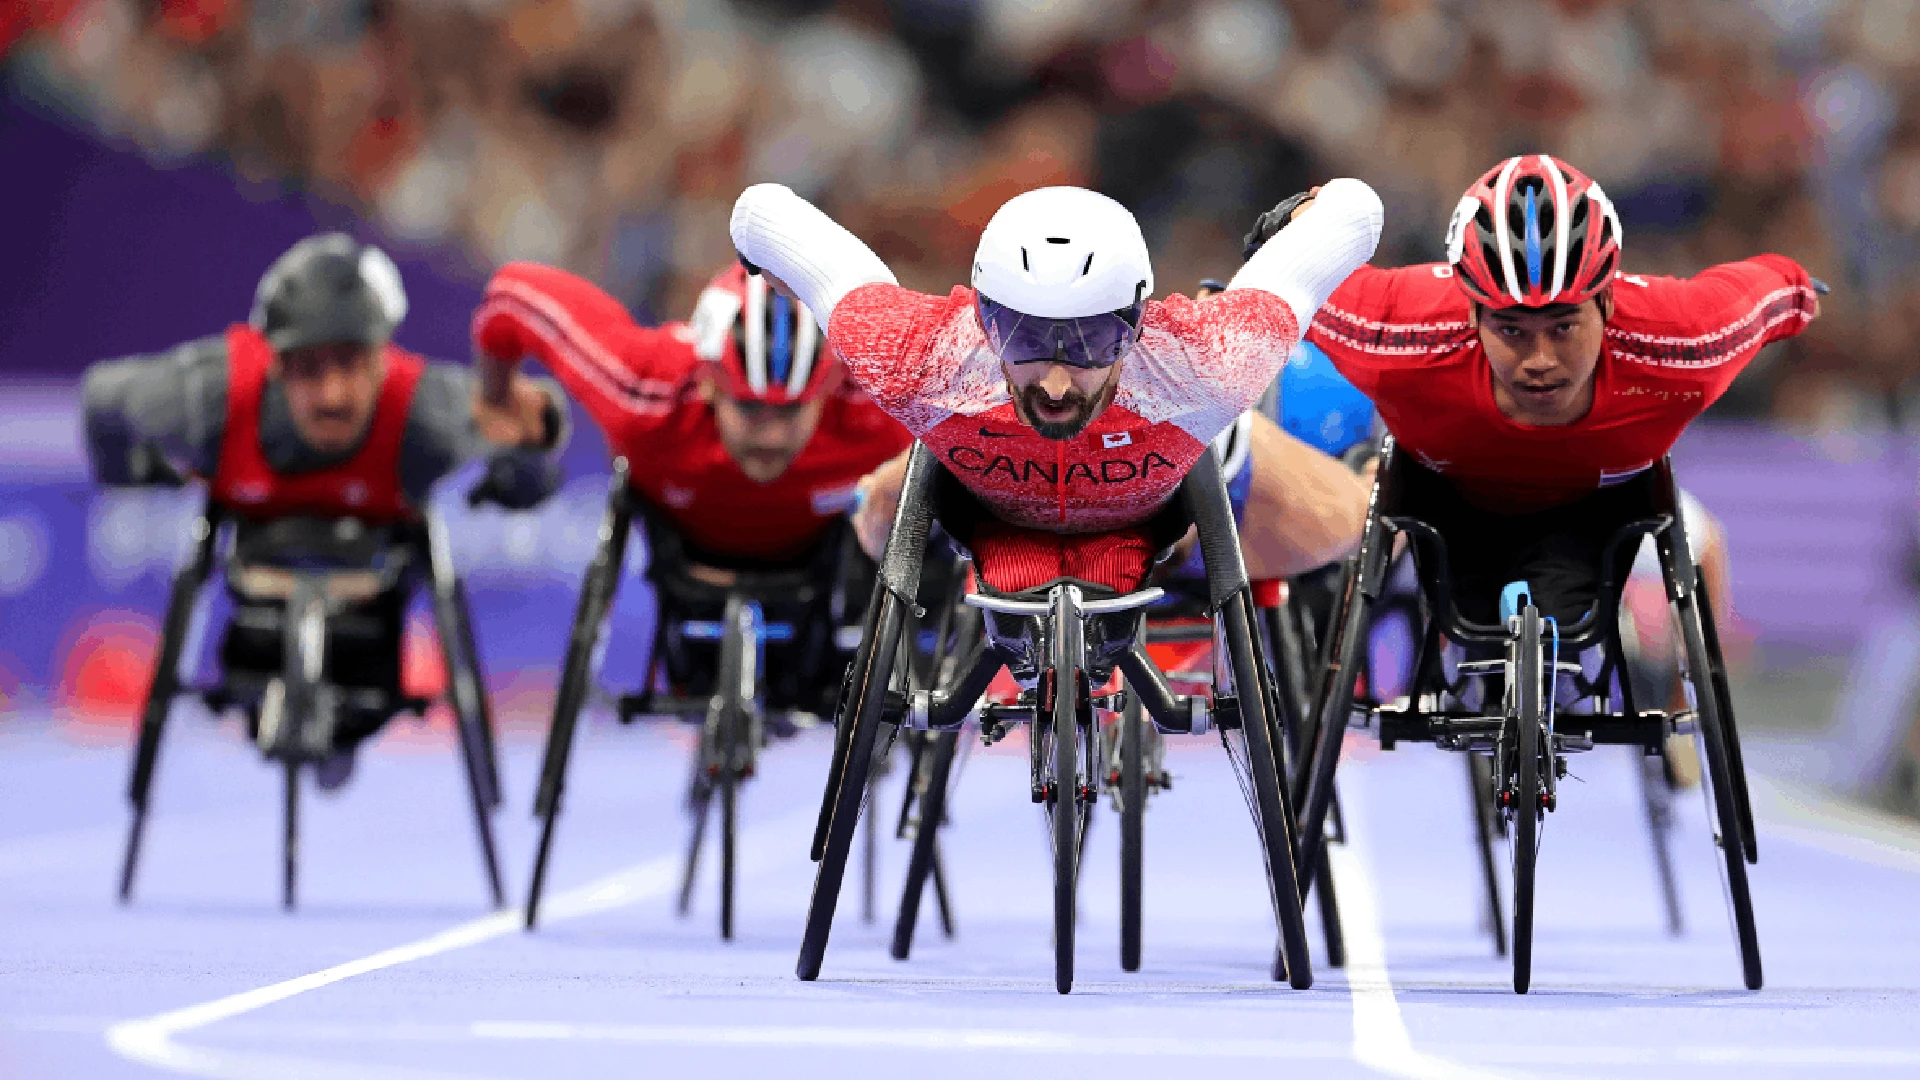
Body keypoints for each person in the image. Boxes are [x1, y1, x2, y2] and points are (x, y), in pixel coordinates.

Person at [732, 178, 1384, 597]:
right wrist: (770, 252)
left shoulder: (1210, 357)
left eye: (1091, 346)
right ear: (984, 323)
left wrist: (1310, 211)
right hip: (987, 519)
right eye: (1025, 339)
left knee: (1362, 521)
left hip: (1173, 522)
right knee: (877, 510)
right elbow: (760, 211)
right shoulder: (919, 354)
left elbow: (1356, 213)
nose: (1054, 381)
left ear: (1136, 325)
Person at [82, 233, 567, 787]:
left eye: (350, 364)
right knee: (250, 651)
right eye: (309, 369)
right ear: (275, 363)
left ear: (382, 356)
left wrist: (528, 453)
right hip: (253, 598)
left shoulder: (429, 410)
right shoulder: (205, 392)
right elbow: (102, 398)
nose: (332, 393)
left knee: (368, 664)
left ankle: (343, 726)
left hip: (374, 607)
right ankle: (270, 703)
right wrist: (139, 473)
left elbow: (530, 478)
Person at [1295, 155, 1819, 626]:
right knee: (1363, 490)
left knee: (1705, 548)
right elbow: (1292, 274)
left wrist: (1801, 289)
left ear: (1608, 304)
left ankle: (1674, 720)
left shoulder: (1688, 336)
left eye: (1564, 327)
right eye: (1512, 331)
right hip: (1442, 500)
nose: (1541, 361)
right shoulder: (1393, 328)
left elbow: (1770, 287)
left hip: (1604, 509)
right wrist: (1294, 221)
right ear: (1472, 313)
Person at [471, 260, 914, 710]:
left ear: (828, 388)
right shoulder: (644, 388)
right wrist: (498, 400)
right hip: (683, 561)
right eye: (749, 408)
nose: (771, 435)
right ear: (708, 385)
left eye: (790, 412)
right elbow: (512, 294)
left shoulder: (882, 403)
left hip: (832, 565)